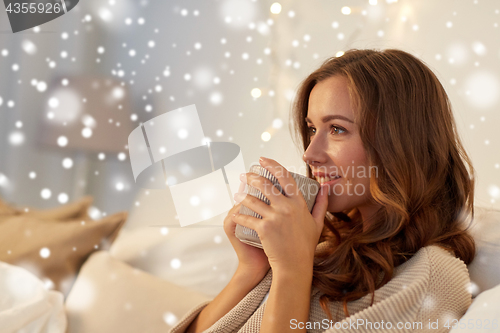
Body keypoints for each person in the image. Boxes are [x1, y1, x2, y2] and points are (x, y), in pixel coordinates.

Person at [170, 49, 476, 333]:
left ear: (401, 143)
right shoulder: (322, 247)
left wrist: (292, 269)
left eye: (337, 129)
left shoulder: (433, 277)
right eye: (313, 129)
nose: (309, 153)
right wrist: (252, 267)